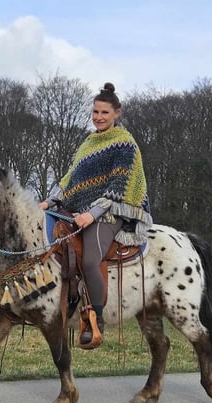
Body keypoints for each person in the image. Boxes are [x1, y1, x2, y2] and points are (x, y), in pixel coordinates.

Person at [39, 82, 152, 348]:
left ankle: (95, 319)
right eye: (95, 112)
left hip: (112, 212)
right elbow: (70, 179)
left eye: (104, 112)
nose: (98, 117)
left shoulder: (125, 144)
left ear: (117, 113)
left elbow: (119, 187)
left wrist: (92, 214)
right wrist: (50, 201)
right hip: (80, 211)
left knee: (90, 259)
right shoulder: (88, 142)